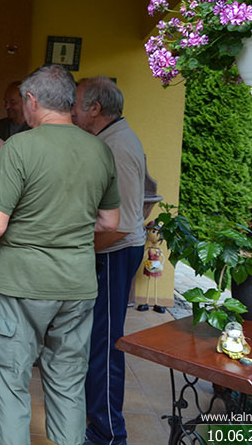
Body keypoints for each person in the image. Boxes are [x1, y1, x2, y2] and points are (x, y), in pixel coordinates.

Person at [0, 65, 121, 445]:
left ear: (32, 101)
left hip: (20, 285)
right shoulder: (100, 150)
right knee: (68, 380)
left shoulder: (20, 147)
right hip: (77, 285)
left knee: (9, 381)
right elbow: (110, 221)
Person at [72, 76, 146, 445]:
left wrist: (78, 249)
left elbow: (123, 225)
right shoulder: (107, 140)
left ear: (95, 109)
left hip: (115, 254)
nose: (71, 110)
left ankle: (109, 434)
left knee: (104, 345)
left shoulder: (118, 147)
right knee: (94, 342)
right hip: (108, 252)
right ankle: (97, 424)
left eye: (76, 104)